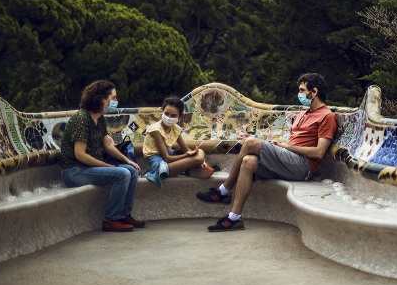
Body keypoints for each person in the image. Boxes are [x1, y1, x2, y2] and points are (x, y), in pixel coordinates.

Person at [197, 73, 338, 231]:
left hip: (302, 166)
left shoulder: (327, 116)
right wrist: (281, 147)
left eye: (302, 90)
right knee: (248, 162)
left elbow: (319, 152)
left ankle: (224, 190)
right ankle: (234, 217)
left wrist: (286, 147)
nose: (299, 94)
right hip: (289, 161)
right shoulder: (302, 114)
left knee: (250, 142)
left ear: (314, 92)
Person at [59, 80, 145, 232]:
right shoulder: (82, 119)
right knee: (122, 174)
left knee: (131, 170)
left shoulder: (99, 118)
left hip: (87, 168)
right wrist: (108, 166)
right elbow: (80, 155)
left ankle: (124, 214)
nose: (116, 101)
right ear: (101, 99)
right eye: (113, 98)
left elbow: (108, 146)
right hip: (74, 171)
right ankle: (111, 219)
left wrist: (128, 161)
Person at [142, 96, 212, 188]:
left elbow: (187, 150)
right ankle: (188, 170)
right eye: (166, 114)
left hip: (168, 160)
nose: (169, 117)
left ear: (179, 116)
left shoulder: (176, 129)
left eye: (173, 115)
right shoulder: (156, 130)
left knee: (200, 152)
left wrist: (200, 160)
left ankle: (190, 170)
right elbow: (167, 158)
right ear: (162, 111)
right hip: (160, 165)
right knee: (198, 158)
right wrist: (188, 156)